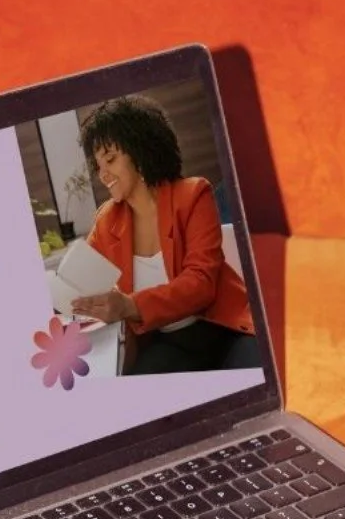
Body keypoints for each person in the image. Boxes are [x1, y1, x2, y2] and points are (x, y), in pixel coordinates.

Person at [69, 95, 261, 375]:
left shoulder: (193, 194)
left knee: (257, 373)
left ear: (140, 151)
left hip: (224, 329)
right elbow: (82, 286)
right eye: (98, 165)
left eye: (110, 159)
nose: (103, 174)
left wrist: (130, 305)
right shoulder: (106, 221)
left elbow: (201, 285)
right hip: (168, 343)